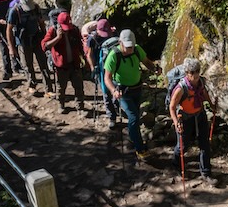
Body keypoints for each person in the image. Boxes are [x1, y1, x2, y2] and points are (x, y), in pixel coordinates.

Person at [104, 29, 159, 159]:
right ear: (120, 43)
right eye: (127, 46)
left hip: (137, 88)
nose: (130, 49)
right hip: (123, 92)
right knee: (134, 117)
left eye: (131, 46)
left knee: (135, 115)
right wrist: (114, 90)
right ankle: (140, 149)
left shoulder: (137, 49)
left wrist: (154, 68)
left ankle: (133, 136)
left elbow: (146, 61)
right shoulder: (113, 55)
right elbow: (107, 78)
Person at [170, 58, 216, 185]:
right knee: (182, 146)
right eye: (192, 72)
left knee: (204, 144)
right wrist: (176, 122)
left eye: (197, 71)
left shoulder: (200, 82)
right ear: (187, 73)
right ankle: (176, 166)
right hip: (185, 118)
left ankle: (206, 173)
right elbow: (172, 106)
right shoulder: (181, 88)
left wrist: (211, 105)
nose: (195, 74)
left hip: (200, 115)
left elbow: (204, 93)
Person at [42, 12, 87, 113]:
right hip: (60, 66)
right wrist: (57, 38)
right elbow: (44, 46)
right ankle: (61, 105)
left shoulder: (74, 30)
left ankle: (80, 107)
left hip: (74, 64)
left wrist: (84, 58)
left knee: (79, 87)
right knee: (60, 88)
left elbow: (79, 45)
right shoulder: (52, 31)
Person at [6, 0, 49, 92]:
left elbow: (41, 23)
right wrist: (11, 48)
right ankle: (32, 85)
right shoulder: (15, 11)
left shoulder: (36, 8)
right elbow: (9, 30)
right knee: (27, 65)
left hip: (36, 39)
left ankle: (48, 88)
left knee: (43, 63)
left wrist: (45, 38)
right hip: (23, 42)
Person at [84, 18, 118, 128]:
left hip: (115, 66)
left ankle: (116, 107)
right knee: (106, 92)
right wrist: (93, 67)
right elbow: (89, 54)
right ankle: (111, 116)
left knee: (115, 88)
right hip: (101, 67)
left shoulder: (113, 34)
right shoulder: (92, 39)